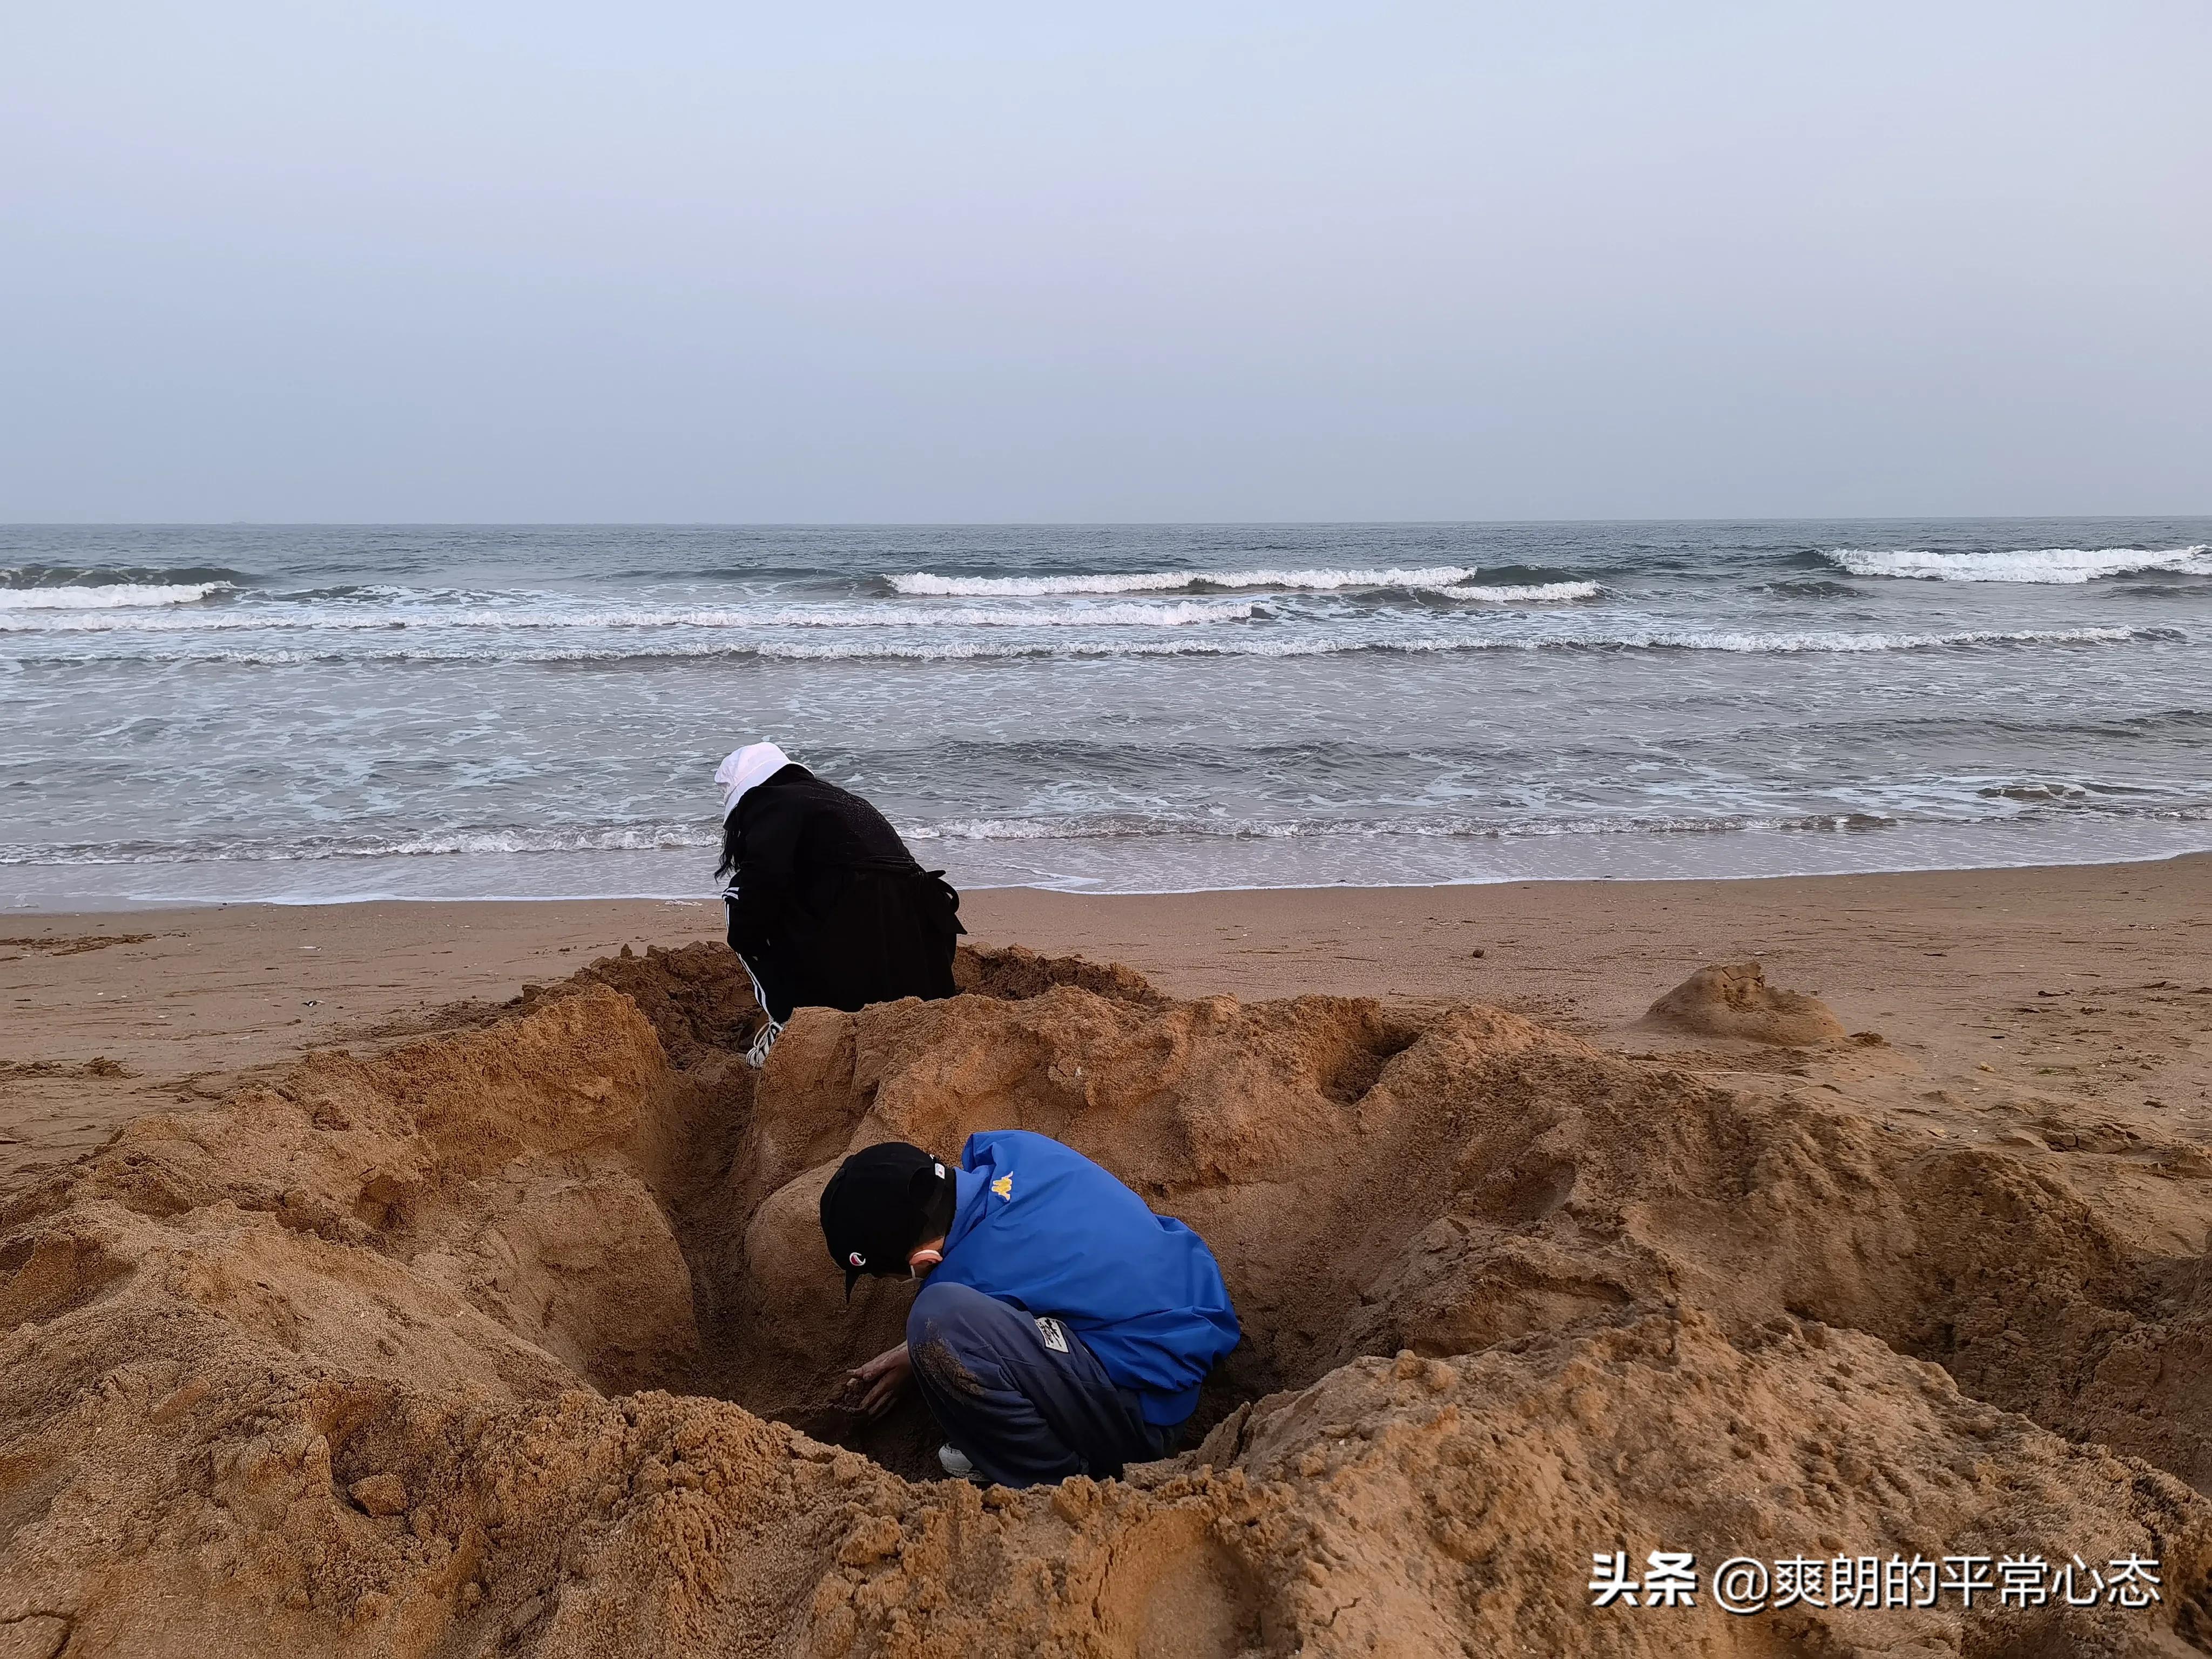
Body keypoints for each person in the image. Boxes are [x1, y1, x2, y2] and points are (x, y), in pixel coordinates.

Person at [819, 1132, 1242, 1488]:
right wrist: (911, 1354)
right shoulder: (1010, 1149)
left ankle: (1057, 1475)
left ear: (922, 1262)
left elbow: (959, 1313)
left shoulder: (958, 1282)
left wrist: (923, 1345)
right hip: (1193, 1308)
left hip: (1146, 1415)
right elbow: (1021, 1268)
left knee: (937, 1322)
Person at [714, 743, 963, 1067]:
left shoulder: (771, 802)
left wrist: (755, 942)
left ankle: (789, 1025)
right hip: (922, 957)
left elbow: (764, 880)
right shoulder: (845, 801)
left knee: (739, 898)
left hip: (852, 937)